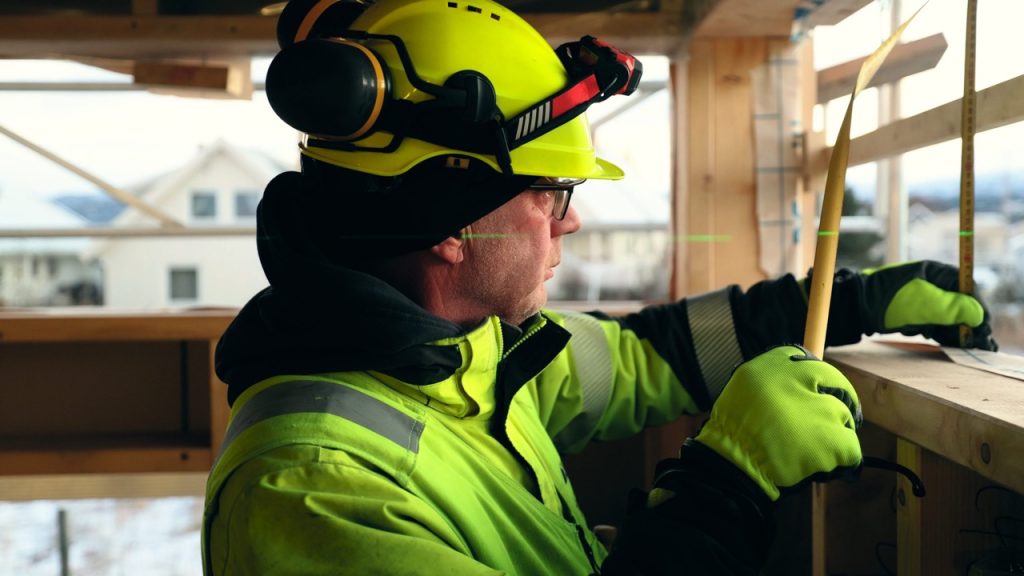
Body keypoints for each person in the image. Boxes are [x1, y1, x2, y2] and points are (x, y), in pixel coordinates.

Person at [201, 0, 997, 574]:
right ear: (450, 221)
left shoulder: (467, 349)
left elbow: (651, 358)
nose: (570, 222)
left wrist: (850, 301)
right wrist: (727, 486)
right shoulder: (308, 489)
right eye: (552, 194)